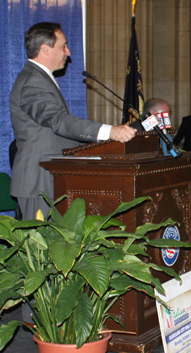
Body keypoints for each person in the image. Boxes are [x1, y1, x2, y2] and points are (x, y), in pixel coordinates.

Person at [9, 22, 136, 221]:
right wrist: (110, 132)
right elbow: (59, 122)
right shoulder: (33, 81)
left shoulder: (39, 78)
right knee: (40, 248)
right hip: (40, 182)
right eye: (63, 46)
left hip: (51, 178)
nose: (68, 52)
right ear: (45, 48)